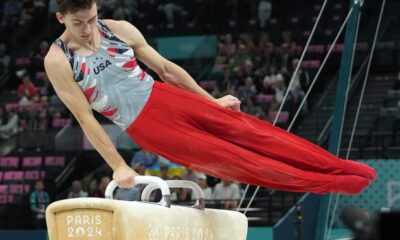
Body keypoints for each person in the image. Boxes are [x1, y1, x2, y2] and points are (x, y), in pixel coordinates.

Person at [44, 0, 376, 196]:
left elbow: (165, 68)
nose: (88, 29)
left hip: (166, 96)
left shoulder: (117, 28)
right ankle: (329, 183)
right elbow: (86, 119)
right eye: (78, 23)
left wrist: (210, 101)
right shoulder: (58, 61)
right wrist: (118, 166)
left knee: (256, 133)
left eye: (91, 18)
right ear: (61, 18)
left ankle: (339, 166)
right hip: (145, 125)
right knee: (240, 161)